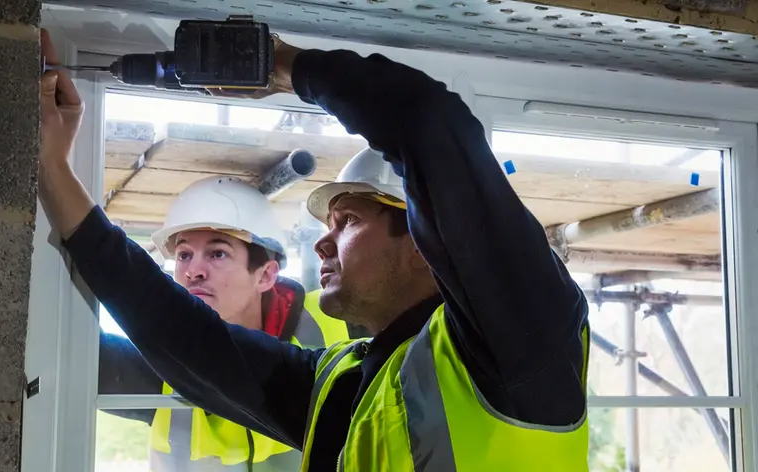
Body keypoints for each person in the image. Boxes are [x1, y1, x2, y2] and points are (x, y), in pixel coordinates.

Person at [39, 23, 590, 472]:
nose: (323, 241)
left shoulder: (525, 342)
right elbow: (183, 335)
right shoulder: (341, 385)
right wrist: (54, 171)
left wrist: (280, 65)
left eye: (347, 221)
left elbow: (429, 122)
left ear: (426, 239)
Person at [98, 176, 359, 471]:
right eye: (184, 255)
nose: (193, 271)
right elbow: (69, 348)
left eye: (217, 253)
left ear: (265, 276)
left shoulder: (339, 322)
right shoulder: (158, 361)